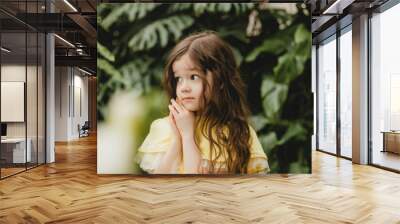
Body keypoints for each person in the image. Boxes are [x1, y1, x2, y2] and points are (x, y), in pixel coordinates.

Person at [136, 31, 269, 174]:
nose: (184, 88)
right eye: (179, 79)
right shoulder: (165, 128)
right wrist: (177, 139)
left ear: (221, 80)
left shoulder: (239, 133)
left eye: (193, 77)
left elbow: (196, 186)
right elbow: (159, 186)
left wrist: (188, 135)